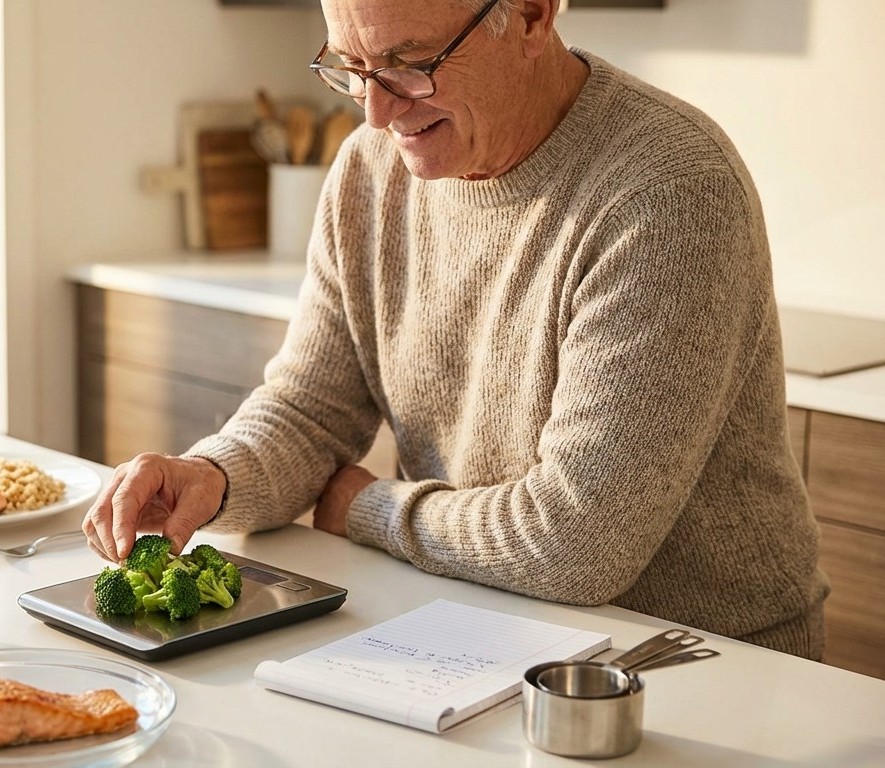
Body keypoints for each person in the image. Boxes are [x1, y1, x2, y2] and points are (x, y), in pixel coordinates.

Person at [82, 0, 828, 658]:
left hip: (689, 658)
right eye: (349, 67)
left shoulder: (666, 190)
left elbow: (574, 543)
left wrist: (367, 508)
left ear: (533, 15)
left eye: (409, 64)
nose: (375, 112)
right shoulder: (368, 170)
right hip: (477, 623)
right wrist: (210, 479)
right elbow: (309, 410)